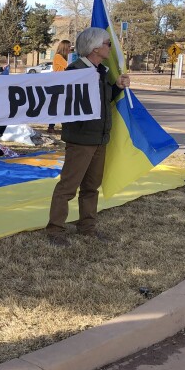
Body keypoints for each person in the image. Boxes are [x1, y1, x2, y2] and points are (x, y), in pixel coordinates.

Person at [45, 27, 130, 247]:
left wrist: (117, 87)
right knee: (68, 187)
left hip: (99, 138)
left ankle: (87, 227)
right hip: (81, 139)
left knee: (92, 187)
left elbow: (103, 100)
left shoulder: (100, 71)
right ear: (94, 47)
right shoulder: (75, 71)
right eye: (107, 43)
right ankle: (55, 230)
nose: (110, 47)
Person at [47, 39, 72, 133]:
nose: (70, 49)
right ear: (64, 47)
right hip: (57, 84)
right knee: (55, 105)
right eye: (69, 47)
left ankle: (64, 126)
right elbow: (68, 66)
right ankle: (51, 126)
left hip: (64, 83)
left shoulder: (65, 57)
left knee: (64, 105)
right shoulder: (58, 56)